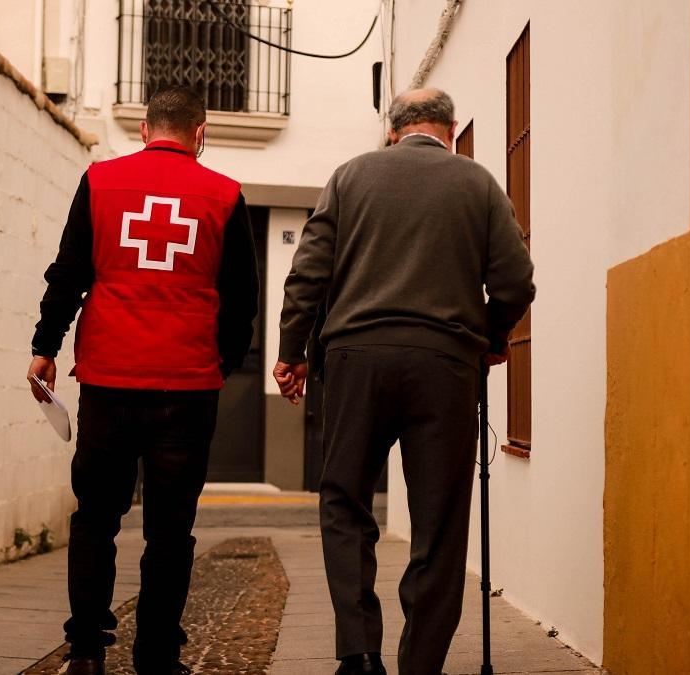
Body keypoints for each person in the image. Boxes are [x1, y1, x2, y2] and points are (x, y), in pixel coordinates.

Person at [274, 88, 536, 675]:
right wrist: (490, 339)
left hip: (354, 362)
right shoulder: (480, 184)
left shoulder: (349, 177)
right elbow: (516, 280)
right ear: (450, 128)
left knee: (345, 502)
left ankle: (359, 651)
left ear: (392, 130)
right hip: (445, 366)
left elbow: (307, 274)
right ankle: (421, 663)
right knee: (440, 521)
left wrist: (293, 353)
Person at [26, 87, 259, 675]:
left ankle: (83, 650)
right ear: (200, 132)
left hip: (107, 380)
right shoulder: (225, 196)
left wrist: (45, 347)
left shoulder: (100, 182)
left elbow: (70, 272)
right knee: (170, 531)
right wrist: (219, 366)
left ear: (144, 127)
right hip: (186, 388)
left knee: (95, 518)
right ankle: (156, 657)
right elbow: (241, 303)